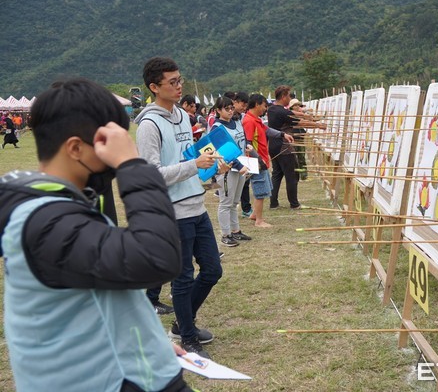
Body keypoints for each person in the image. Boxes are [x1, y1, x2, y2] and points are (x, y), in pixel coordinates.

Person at [0, 78, 194, 391]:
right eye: (108, 144)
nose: (115, 157)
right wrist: (133, 164)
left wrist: (144, 342)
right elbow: (156, 257)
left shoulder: (64, 206)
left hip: (125, 372)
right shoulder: (43, 222)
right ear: (76, 148)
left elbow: (93, 297)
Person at [135, 56, 225, 358]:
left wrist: (212, 167)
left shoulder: (183, 116)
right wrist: (193, 165)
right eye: (172, 82)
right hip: (172, 213)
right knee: (183, 276)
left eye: (180, 80)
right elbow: (152, 174)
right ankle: (187, 336)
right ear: (154, 87)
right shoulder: (148, 125)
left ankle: (182, 321)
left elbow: (190, 158)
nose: (179, 86)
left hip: (196, 206)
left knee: (212, 270)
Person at [267, 86, 326, 209]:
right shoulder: (281, 111)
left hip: (273, 145)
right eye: (288, 96)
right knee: (292, 175)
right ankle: (294, 204)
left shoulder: (272, 109)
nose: (290, 98)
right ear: (283, 96)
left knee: (277, 174)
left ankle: (273, 203)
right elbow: (300, 123)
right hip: (284, 147)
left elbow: (292, 113)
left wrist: (305, 115)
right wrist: (318, 125)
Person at [242, 93, 294, 227]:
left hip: (261, 160)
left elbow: (268, 130)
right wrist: (259, 161)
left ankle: (254, 214)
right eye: (264, 106)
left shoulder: (256, 120)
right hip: (255, 161)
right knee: (260, 191)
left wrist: (283, 134)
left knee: (265, 188)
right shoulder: (249, 121)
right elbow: (248, 145)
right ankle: (259, 221)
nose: (266, 109)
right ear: (257, 104)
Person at [211, 96, 252, 247]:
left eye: (231, 108)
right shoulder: (217, 128)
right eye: (226, 109)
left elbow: (243, 138)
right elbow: (224, 151)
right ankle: (225, 234)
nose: (230, 111)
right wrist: (239, 165)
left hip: (241, 166)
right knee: (226, 202)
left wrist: (247, 145)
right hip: (228, 168)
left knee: (235, 202)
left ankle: (236, 231)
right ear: (218, 110)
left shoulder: (236, 122)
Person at [288, 98, 308, 180]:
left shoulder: (301, 114)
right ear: (292, 107)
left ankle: (304, 175)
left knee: (301, 156)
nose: (297, 107)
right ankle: (295, 175)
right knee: (294, 158)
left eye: (298, 105)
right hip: (293, 138)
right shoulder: (289, 115)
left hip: (300, 137)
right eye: (295, 105)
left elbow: (309, 120)